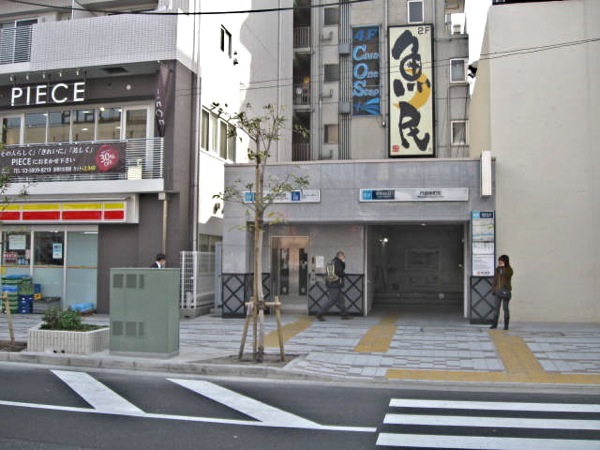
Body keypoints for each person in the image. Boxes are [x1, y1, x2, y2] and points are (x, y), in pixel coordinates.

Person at [316, 251, 351, 321]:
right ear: (340, 256)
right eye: (343, 256)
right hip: (335, 284)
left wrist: (342, 263)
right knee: (331, 300)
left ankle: (344, 315)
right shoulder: (338, 262)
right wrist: (343, 273)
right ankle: (319, 314)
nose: (344, 257)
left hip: (332, 283)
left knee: (341, 300)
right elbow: (339, 272)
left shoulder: (332, 261)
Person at [490, 254, 514, 330]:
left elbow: (508, 275)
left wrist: (503, 268)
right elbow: (495, 280)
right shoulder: (497, 269)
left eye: (501, 261)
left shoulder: (509, 269)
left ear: (505, 261)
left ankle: (506, 325)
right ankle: (494, 324)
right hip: (497, 291)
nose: (499, 262)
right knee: (496, 309)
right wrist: (493, 289)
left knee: (505, 308)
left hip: (505, 292)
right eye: (499, 261)